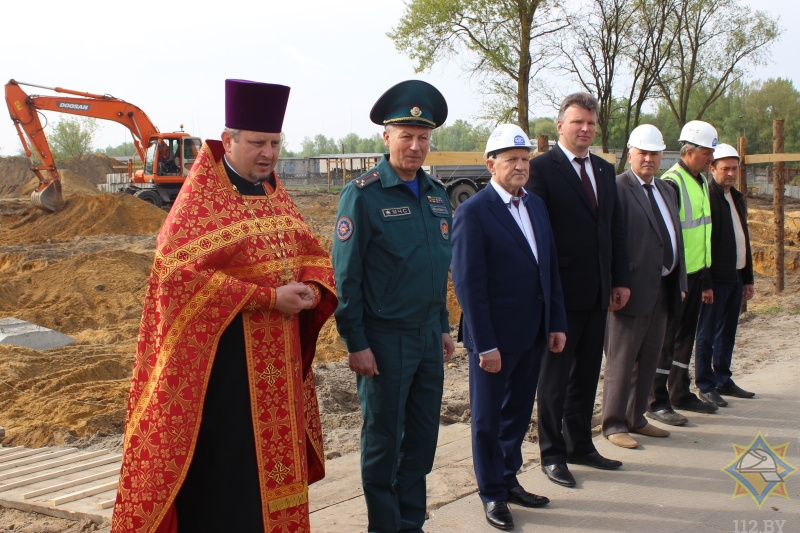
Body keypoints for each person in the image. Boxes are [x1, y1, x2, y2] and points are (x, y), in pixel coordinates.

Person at [111, 79, 337, 533]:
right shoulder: (200, 199)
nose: (268, 154)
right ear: (228, 140)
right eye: (257, 143)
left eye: (274, 143)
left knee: (272, 476)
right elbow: (177, 277)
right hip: (221, 375)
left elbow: (311, 252)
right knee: (227, 484)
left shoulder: (273, 192)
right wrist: (268, 298)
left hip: (278, 369)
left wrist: (313, 289)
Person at [332, 79, 454, 533]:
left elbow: (436, 269)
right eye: (406, 136)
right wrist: (356, 342)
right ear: (386, 137)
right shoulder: (363, 195)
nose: (415, 146)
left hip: (427, 338)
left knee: (421, 441)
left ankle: (411, 524)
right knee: (384, 443)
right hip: (384, 341)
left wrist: (443, 326)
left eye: (423, 137)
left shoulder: (436, 195)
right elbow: (347, 277)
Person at [451, 124, 567, 531]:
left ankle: (508, 478)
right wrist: (485, 344)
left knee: (517, 413)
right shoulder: (473, 212)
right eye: (511, 160)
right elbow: (469, 285)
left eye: (524, 159)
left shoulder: (535, 206)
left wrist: (556, 322)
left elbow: (548, 269)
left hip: (532, 332)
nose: (520, 166)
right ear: (491, 165)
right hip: (494, 340)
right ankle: (492, 494)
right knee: (488, 421)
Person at [525, 92, 630, 488]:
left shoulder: (604, 169)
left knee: (586, 374)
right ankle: (552, 454)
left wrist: (619, 279)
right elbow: (538, 237)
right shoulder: (541, 170)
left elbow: (614, 228)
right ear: (560, 126)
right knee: (555, 380)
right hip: (560, 296)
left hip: (598, 292)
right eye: (577, 122)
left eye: (590, 123)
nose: (585, 129)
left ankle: (581, 445)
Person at [602, 125, 687, 449]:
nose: (649, 158)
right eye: (643, 153)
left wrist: (679, 280)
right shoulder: (617, 188)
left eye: (655, 153)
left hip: (663, 288)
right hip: (630, 291)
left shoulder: (666, 190)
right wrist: (615, 283)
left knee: (649, 358)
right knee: (622, 361)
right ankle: (614, 424)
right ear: (630, 154)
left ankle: (636, 417)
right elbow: (610, 241)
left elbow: (675, 237)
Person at [647, 120, 720, 425]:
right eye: (707, 152)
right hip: (677, 277)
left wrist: (705, 278)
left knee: (685, 337)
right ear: (689, 151)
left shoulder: (701, 181)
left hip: (696, 273)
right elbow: (666, 236)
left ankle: (680, 391)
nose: (711, 158)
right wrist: (675, 280)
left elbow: (701, 233)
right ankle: (655, 400)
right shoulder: (672, 183)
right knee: (666, 339)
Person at [694, 143, 756, 406]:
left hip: (736, 276)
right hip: (716, 278)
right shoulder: (708, 198)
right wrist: (705, 282)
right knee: (707, 332)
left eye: (734, 168)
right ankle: (705, 384)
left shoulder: (736, 197)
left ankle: (723, 378)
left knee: (727, 331)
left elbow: (744, 239)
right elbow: (703, 244)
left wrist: (748, 278)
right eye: (725, 169)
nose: (731, 173)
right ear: (712, 168)